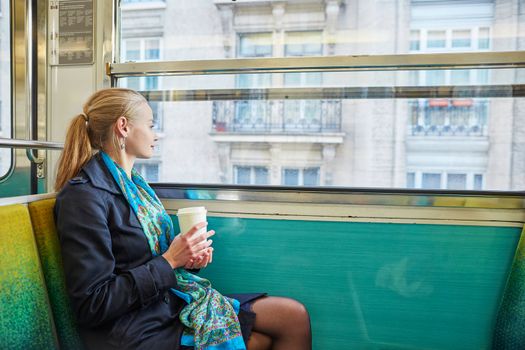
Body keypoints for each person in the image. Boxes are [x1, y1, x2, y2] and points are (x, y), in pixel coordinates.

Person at [54, 88, 312, 350]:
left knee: (292, 316)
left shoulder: (137, 187)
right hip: (132, 328)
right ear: (123, 126)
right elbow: (93, 304)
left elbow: (145, 260)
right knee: (264, 339)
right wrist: (170, 260)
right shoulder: (83, 197)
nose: (155, 135)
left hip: (166, 304)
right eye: (151, 125)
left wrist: (186, 261)